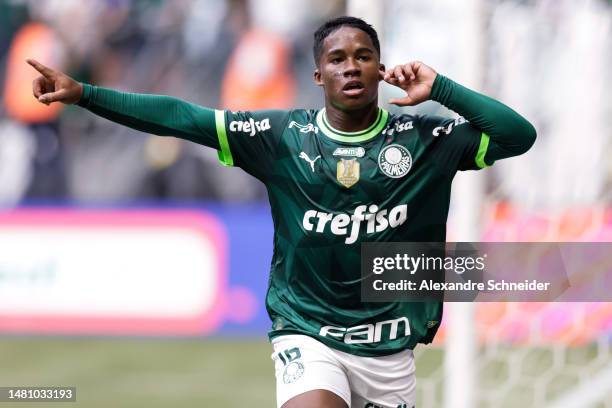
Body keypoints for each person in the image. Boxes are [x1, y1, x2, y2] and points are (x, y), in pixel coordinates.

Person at [28, 15, 535, 408]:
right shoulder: (282, 137)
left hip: (390, 351)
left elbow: (519, 135)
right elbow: (181, 118)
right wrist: (85, 94)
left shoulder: (423, 140)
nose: (351, 67)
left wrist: (441, 87)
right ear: (318, 74)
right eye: (337, 59)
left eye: (364, 57)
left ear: (381, 69)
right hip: (308, 333)